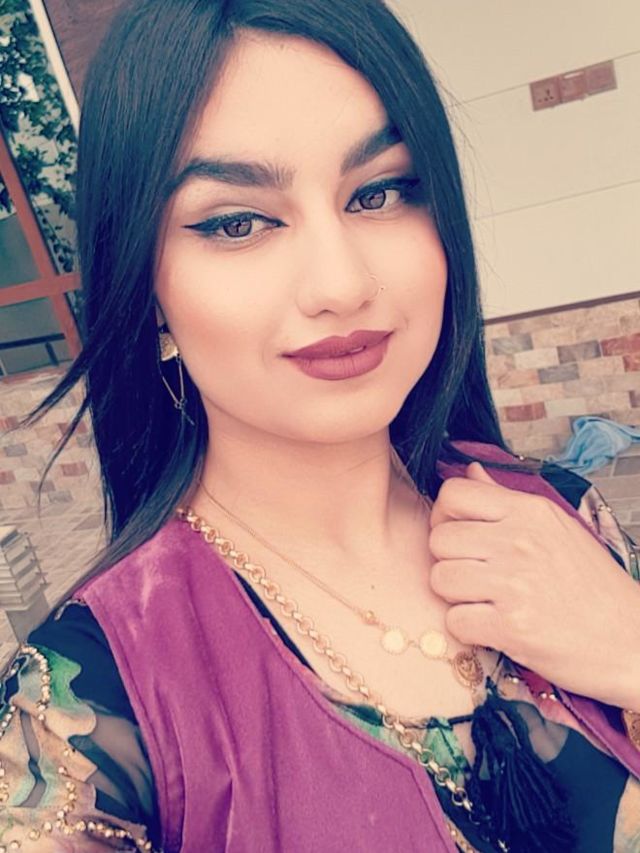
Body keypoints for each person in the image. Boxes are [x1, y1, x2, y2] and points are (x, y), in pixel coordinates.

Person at [1, 0, 639, 850]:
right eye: (237, 222)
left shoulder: (557, 515)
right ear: (145, 288)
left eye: (379, 193)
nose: (341, 283)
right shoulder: (86, 711)